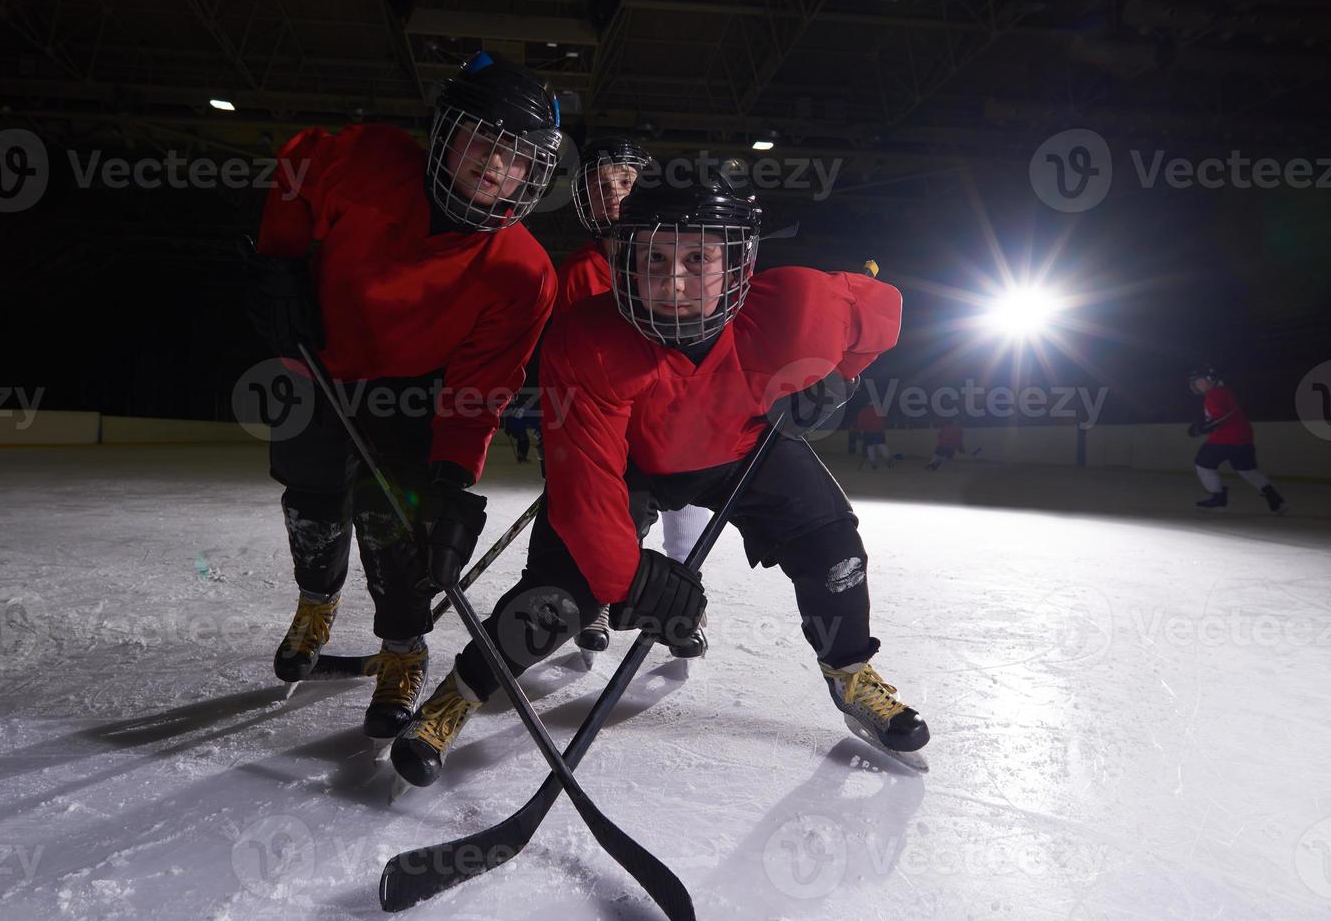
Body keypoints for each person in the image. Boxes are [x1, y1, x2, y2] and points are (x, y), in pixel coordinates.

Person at [389, 172, 929, 789]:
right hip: (632, 463)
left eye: (699, 257)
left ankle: (850, 672)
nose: (674, 282)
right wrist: (631, 580)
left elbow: (882, 310)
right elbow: (585, 485)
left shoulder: (799, 310)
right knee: (557, 600)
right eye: (655, 257)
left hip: (744, 449)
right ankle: (459, 694)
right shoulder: (588, 341)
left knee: (833, 549)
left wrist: (840, 379)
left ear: (737, 264)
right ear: (626, 260)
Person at [248, 51, 562, 753]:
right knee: (310, 496)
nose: (494, 167)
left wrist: (450, 476)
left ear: (533, 174)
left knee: (397, 526)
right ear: (446, 135)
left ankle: (403, 651)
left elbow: (483, 380)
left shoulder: (523, 272)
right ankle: (315, 605)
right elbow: (298, 164)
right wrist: (281, 259)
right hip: (319, 364)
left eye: (515, 158)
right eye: (482, 142)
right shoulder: (366, 161)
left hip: (411, 392)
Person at [561, 138, 712, 662]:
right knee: (616, 516)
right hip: (615, 422)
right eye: (600, 187)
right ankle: (605, 597)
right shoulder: (583, 268)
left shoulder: (681, 251)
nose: (611, 196)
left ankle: (684, 606)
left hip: (677, 418)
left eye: (623, 182)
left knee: (687, 519)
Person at [1187, 365, 1286, 514]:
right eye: (1195, 383)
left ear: (1210, 379)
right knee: (1247, 470)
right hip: (1244, 436)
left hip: (1225, 437)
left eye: (1199, 381)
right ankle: (1275, 499)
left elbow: (1220, 416)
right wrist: (1206, 425)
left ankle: (1218, 499)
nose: (1197, 385)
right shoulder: (1224, 391)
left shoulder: (1213, 394)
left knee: (1203, 463)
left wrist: (1204, 428)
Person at [856, 402, 892, 469]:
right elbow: (883, 420)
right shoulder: (879, 410)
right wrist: (883, 427)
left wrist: (860, 430)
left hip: (868, 431)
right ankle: (889, 460)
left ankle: (873, 463)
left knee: (870, 447)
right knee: (882, 445)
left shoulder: (863, 410)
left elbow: (860, 421)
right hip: (879, 430)